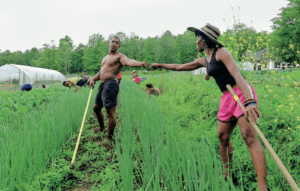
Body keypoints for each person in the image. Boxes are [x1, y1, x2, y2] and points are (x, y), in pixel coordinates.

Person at [150, 23, 268, 191]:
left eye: (197, 38)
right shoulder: (204, 60)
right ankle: (227, 172)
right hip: (227, 97)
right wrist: (160, 65)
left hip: (241, 93)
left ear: (204, 40)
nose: (195, 41)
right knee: (222, 136)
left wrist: (249, 101)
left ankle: (262, 186)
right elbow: (180, 67)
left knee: (248, 136)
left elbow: (236, 74)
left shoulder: (222, 53)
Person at [89, 36, 148, 145]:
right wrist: (93, 78)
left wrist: (139, 63)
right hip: (102, 85)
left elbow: (129, 62)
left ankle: (108, 139)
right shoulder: (105, 58)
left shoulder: (120, 56)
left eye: (116, 43)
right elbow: (101, 72)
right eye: (112, 41)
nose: (114, 44)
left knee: (110, 112)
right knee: (96, 108)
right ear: (109, 43)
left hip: (111, 84)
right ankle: (102, 128)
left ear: (119, 46)